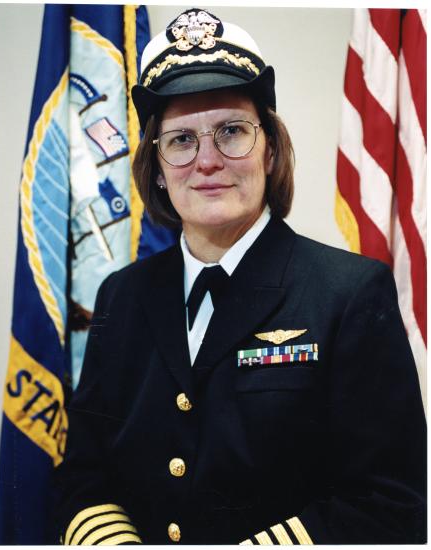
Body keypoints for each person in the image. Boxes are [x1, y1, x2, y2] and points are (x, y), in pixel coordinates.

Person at [55, 8, 426, 545]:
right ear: (156, 168)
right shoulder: (123, 296)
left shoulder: (348, 294)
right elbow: (84, 474)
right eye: (181, 140)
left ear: (270, 151)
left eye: (231, 131)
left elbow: (390, 503)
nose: (206, 161)